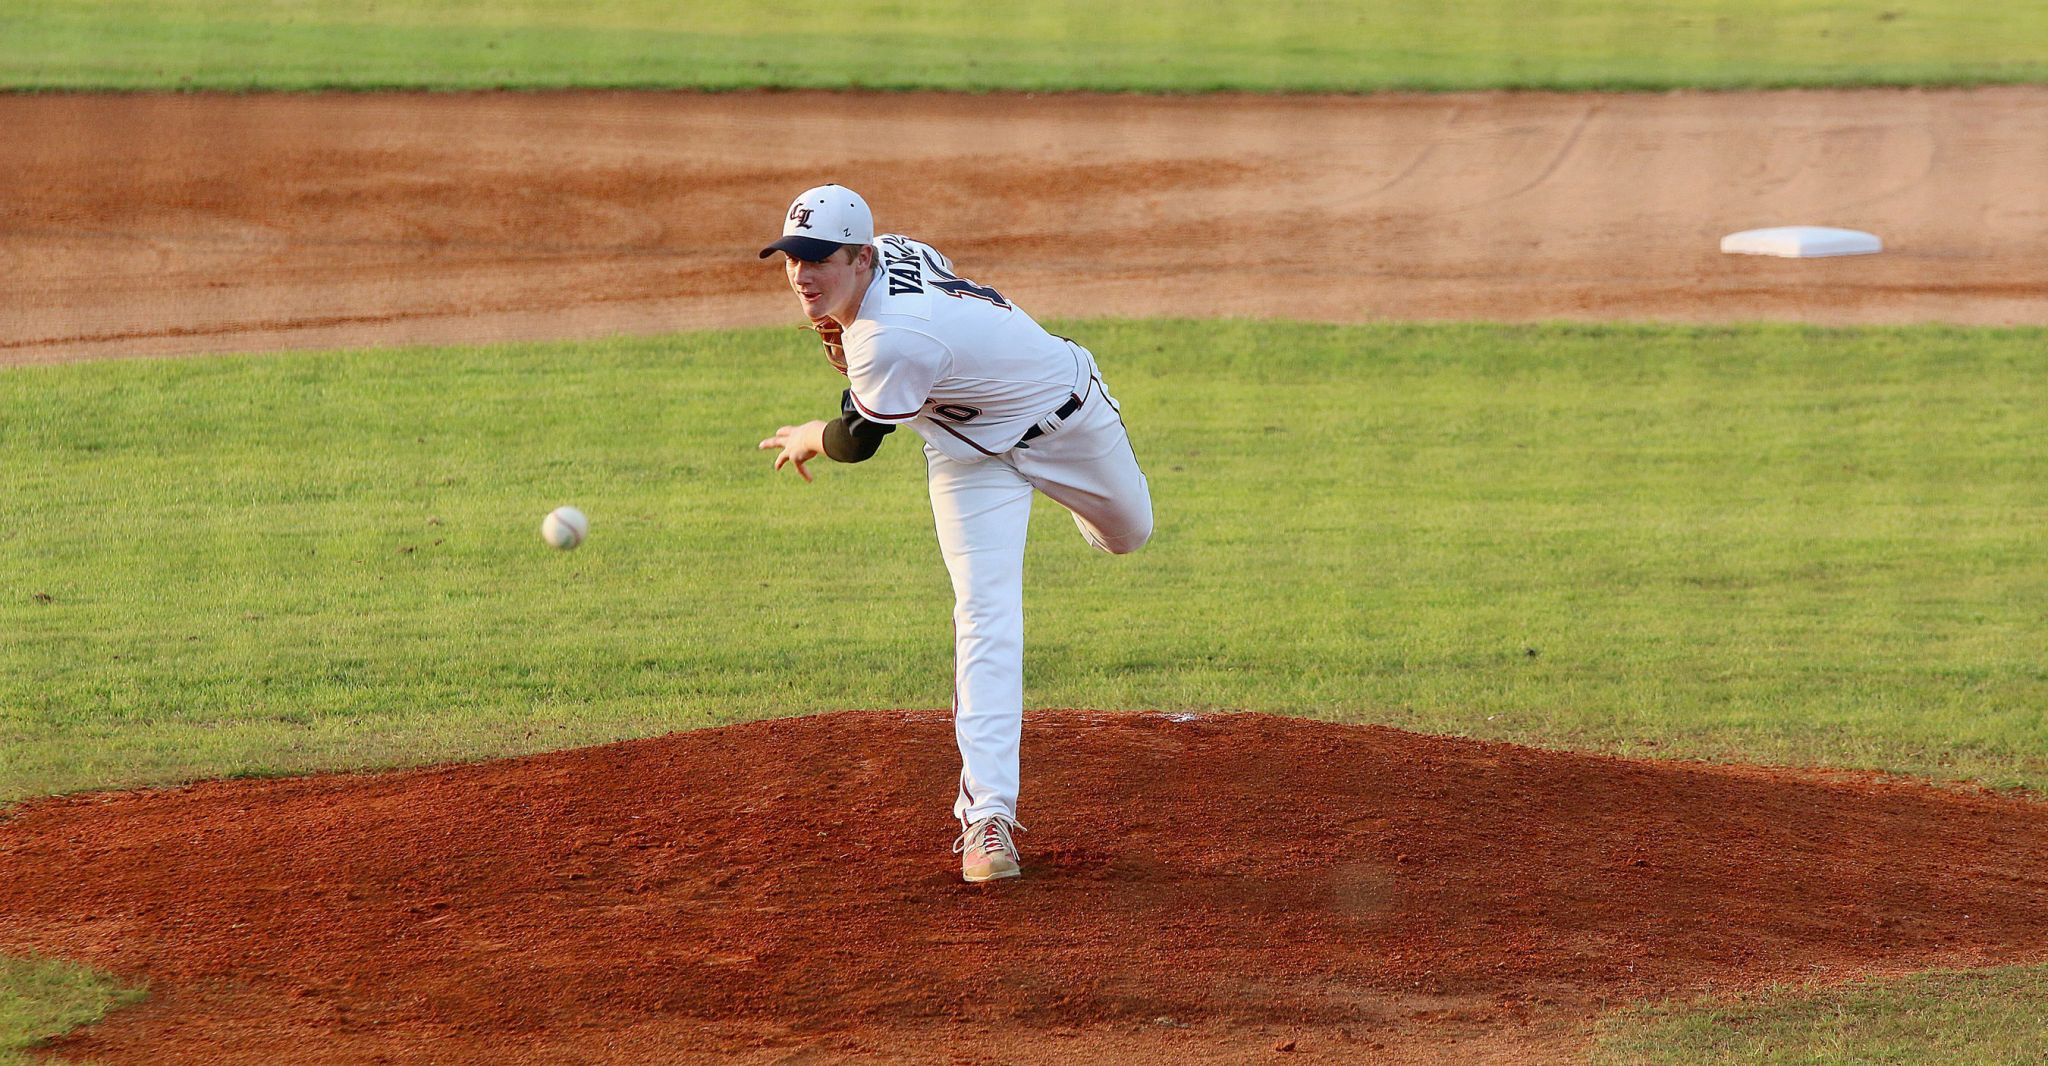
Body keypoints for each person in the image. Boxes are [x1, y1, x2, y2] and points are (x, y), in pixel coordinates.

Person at [756, 184, 1153, 883]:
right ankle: (987, 819)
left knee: (1129, 535)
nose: (802, 273)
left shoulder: (891, 338)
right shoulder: (893, 261)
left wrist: (810, 436)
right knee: (985, 614)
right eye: (792, 257)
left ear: (859, 256)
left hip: (1068, 421)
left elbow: (856, 440)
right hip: (967, 453)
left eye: (819, 258)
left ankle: (1068, 494)